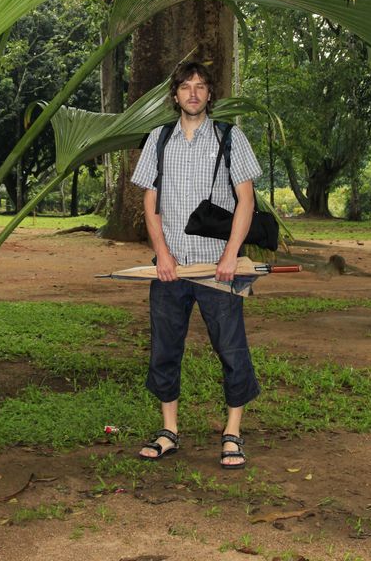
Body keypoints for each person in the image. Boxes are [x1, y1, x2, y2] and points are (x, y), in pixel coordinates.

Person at [131, 60, 262, 468]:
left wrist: (229, 256)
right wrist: (164, 255)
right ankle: (169, 430)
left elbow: (247, 202)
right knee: (165, 349)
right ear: (175, 95)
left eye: (201, 86)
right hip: (171, 268)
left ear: (210, 95)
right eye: (186, 86)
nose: (193, 93)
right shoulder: (158, 138)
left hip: (218, 268)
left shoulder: (230, 137)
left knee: (231, 349)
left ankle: (232, 432)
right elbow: (150, 204)